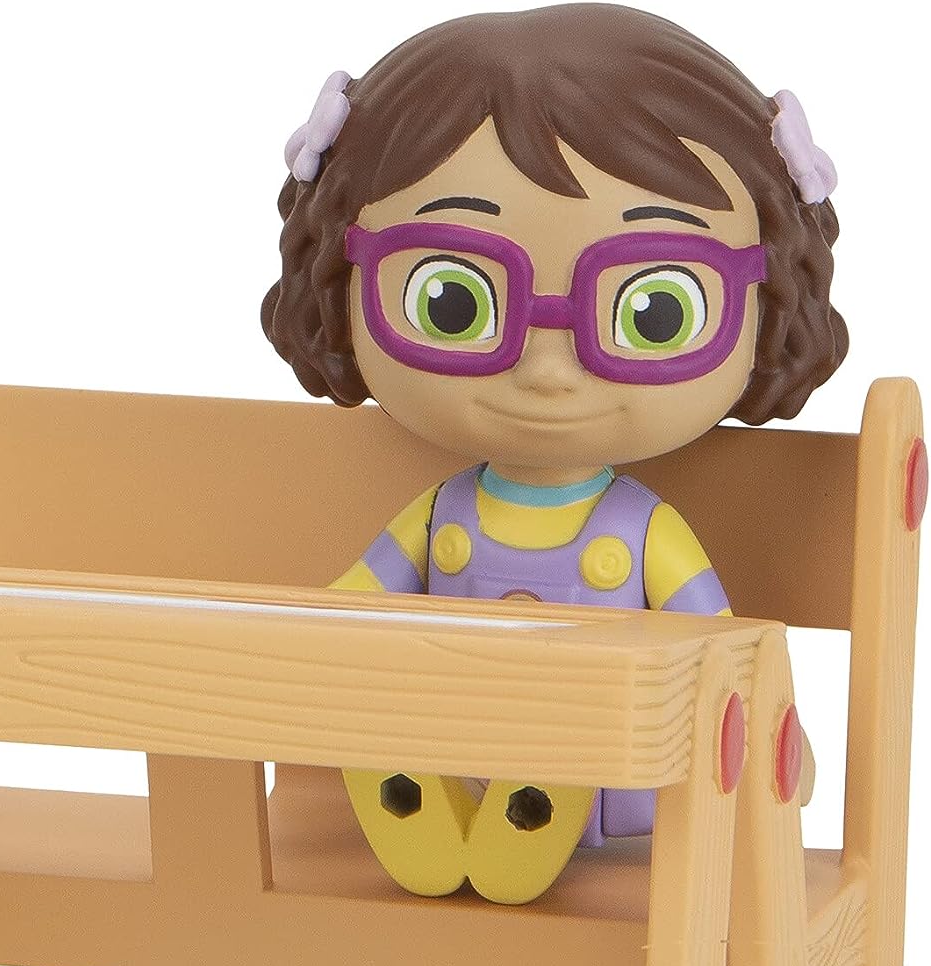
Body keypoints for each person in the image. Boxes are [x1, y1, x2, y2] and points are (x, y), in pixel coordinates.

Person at [261, 3, 843, 903]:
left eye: (654, 309)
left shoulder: (640, 530)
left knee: (565, 749)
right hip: (455, 755)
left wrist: (779, 733)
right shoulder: (443, 513)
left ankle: (524, 815)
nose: (546, 369)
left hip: (606, 784)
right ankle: (426, 805)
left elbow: (720, 647)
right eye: (453, 299)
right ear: (342, 277)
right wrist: (280, 654)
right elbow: (346, 606)